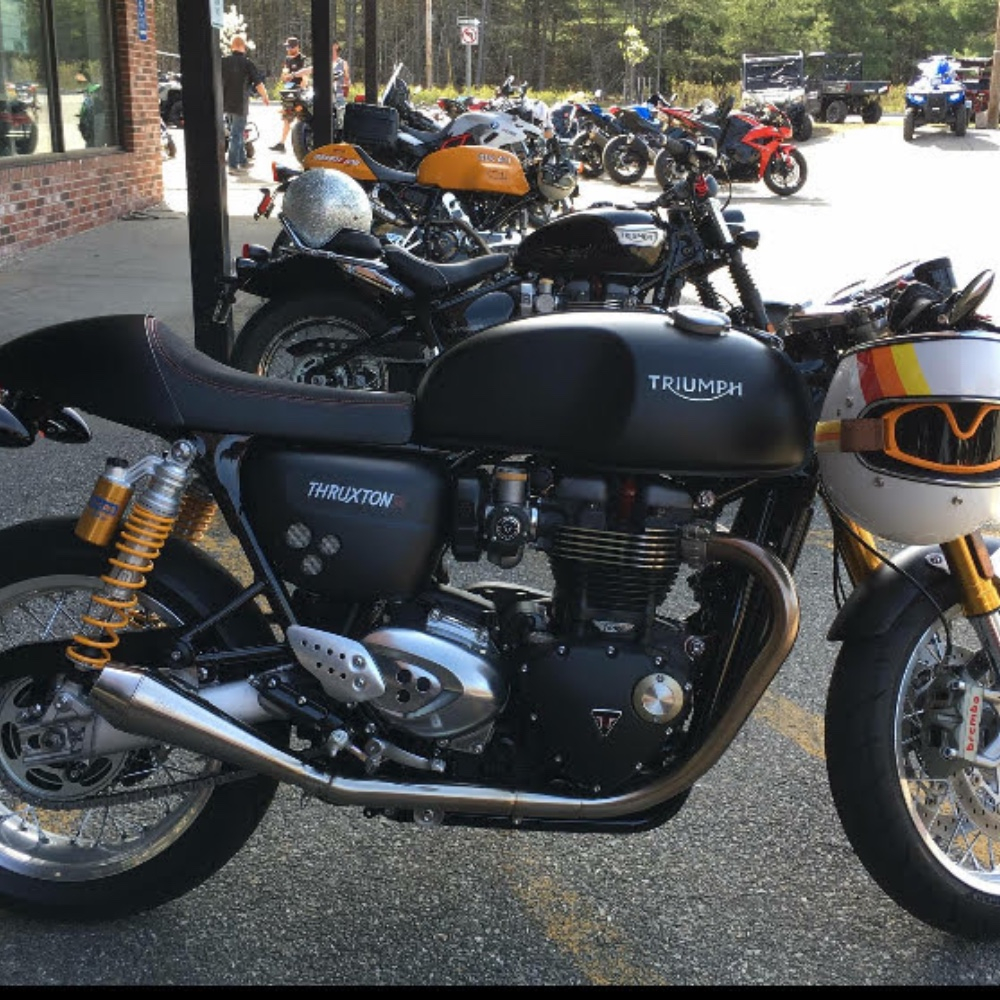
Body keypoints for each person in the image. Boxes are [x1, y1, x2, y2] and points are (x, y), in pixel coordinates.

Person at [221, 34, 269, 177]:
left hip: (226, 104)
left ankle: (242, 161)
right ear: (243, 47)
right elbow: (258, 82)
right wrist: (265, 96)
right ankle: (232, 165)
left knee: (236, 132)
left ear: (232, 47)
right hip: (240, 104)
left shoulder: (223, 62)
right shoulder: (247, 63)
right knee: (236, 134)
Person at [270, 36, 312, 153]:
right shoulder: (288, 59)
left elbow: (305, 77)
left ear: (297, 47)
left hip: (300, 92)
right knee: (287, 118)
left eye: (290, 47)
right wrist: (284, 78)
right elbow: (284, 75)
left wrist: (301, 90)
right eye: (287, 47)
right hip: (289, 93)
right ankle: (281, 143)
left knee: (300, 118)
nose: (288, 49)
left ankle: (302, 145)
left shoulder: (303, 59)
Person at [332, 41, 351, 128]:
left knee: (340, 121)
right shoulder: (324, 63)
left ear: (336, 47)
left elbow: (347, 79)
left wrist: (346, 87)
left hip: (339, 96)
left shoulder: (343, 63)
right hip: (326, 97)